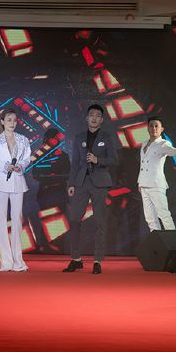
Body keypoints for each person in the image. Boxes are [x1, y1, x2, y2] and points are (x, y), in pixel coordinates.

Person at [63, 104, 118, 274]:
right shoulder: (79, 137)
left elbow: (114, 159)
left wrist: (97, 160)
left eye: (97, 116)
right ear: (87, 118)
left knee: (100, 221)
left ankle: (97, 261)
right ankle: (76, 259)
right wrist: (71, 184)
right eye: (91, 115)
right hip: (80, 182)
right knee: (74, 220)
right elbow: (75, 163)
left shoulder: (106, 137)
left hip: (99, 183)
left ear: (101, 120)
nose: (94, 118)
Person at [0, 108, 31, 272]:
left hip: (17, 181)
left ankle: (18, 261)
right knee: (1, 218)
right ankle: (5, 261)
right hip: (0, 181)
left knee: (17, 218)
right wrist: (5, 166)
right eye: (9, 120)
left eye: (15, 120)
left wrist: (20, 166)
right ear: (2, 121)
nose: (12, 123)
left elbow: (27, 158)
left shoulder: (23, 139)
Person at [137, 116, 176, 232]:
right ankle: (156, 240)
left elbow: (175, 152)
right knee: (150, 218)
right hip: (144, 185)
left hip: (156, 184)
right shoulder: (144, 144)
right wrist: (139, 182)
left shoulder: (163, 144)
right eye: (151, 125)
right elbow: (143, 166)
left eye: (156, 126)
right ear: (147, 128)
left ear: (162, 129)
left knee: (163, 214)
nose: (153, 128)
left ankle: (172, 240)